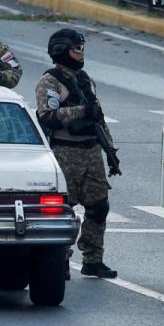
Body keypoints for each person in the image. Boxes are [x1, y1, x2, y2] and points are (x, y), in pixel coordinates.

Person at [35, 28, 119, 279]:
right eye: (76, 49)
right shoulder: (49, 82)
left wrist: (110, 152)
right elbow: (47, 117)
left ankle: (93, 259)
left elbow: (99, 118)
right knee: (62, 209)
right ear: (61, 50)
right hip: (65, 152)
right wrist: (81, 111)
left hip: (91, 151)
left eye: (82, 49)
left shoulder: (85, 80)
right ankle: (60, 258)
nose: (81, 54)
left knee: (99, 206)